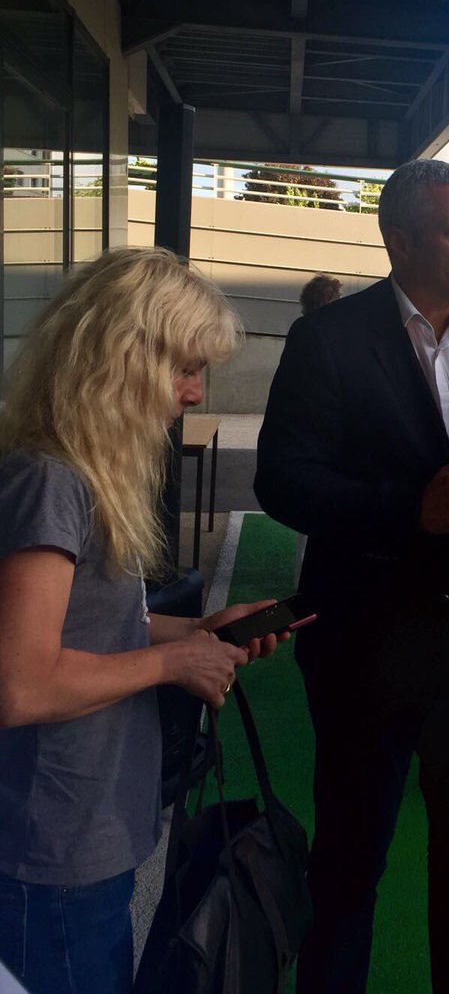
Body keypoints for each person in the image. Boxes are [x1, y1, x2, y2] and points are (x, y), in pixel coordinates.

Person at [255, 158, 449, 994]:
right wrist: (405, 509)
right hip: (371, 643)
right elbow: (282, 480)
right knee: (350, 861)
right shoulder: (330, 339)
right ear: (400, 240)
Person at [0, 247, 285, 994]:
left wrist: (198, 634)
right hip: (55, 844)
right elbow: (22, 684)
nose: (195, 392)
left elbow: (90, 627)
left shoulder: (84, 469)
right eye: (184, 368)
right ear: (120, 358)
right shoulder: (50, 480)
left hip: (89, 825)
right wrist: (171, 663)